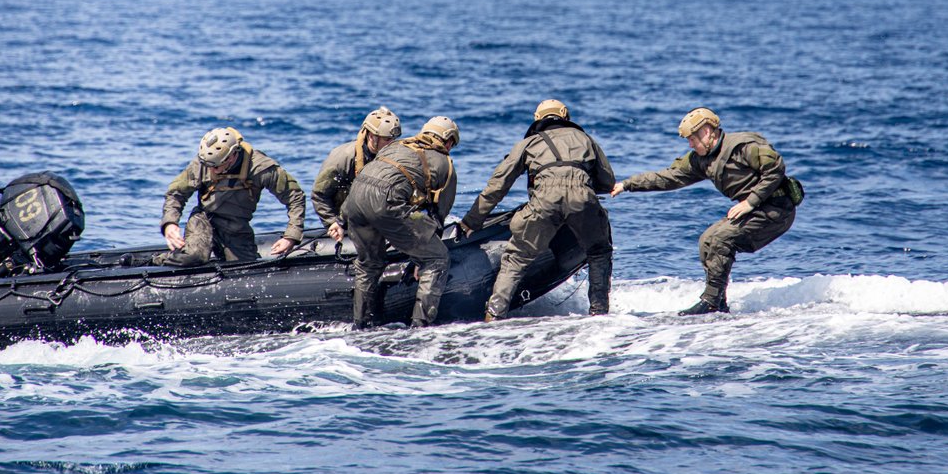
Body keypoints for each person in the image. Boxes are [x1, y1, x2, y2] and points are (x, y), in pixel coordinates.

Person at [611, 107, 796, 315]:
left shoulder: (742, 146)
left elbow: (776, 168)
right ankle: (719, 302)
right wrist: (627, 185)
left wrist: (750, 202)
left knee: (721, 239)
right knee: (707, 241)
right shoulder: (701, 159)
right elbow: (668, 177)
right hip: (756, 209)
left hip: (777, 208)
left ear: (707, 132)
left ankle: (711, 302)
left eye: (692, 139)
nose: (690, 144)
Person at [459, 99, 617, 320]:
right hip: (583, 199)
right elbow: (608, 182)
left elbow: (498, 186)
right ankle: (599, 313)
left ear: (537, 119)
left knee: (516, 258)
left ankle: (494, 315)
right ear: (565, 116)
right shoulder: (586, 140)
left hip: (544, 201)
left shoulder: (528, 143)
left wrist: (471, 222)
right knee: (599, 252)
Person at [339, 116, 460, 329]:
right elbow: (437, 217)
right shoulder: (445, 164)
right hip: (385, 204)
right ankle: (420, 326)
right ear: (448, 140)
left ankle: (360, 326)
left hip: (354, 201)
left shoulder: (396, 146)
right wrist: (419, 258)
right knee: (437, 258)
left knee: (369, 264)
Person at [155, 127, 306, 265]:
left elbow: (295, 197)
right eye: (208, 165)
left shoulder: (261, 168)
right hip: (204, 219)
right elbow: (176, 194)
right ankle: (159, 260)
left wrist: (291, 236)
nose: (211, 170)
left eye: (216, 166)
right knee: (194, 256)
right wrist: (170, 223)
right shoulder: (203, 163)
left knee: (245, 269)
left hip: (236, 227)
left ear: (232, 156)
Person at [311, 106, 402, 242]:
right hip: (346, 220)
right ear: (372, 137)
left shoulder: (391, 156)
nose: (392, 143)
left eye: (393, 139)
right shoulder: (342, 158)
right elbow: (320, 195)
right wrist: (333, 223)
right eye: (387, 139)